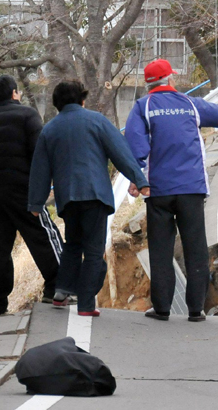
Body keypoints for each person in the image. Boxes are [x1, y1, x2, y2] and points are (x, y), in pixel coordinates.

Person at [124, 59, 218, 323]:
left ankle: (162, 308)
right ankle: (196, 309)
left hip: (159, 190)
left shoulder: (143, 107)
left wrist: (135, 177)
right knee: (195, 247)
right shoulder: (190, 104)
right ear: (170, 80)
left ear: (148, 84)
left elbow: (135, 146)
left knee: (161, 249)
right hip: (191, 188)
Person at [28, 80, 147, 317]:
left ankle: (61, 292)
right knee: (93, 250)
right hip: (95, 195)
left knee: (72, 245)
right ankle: (85, 304)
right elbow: (120, 152)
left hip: (68, 198)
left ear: (57, 104)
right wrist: (140, 180)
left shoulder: (49, 130)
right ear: (82, 100)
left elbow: (40, 170)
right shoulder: (97, 121)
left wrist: (36, 203)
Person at [0, 76, 64, 320]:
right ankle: (59, 286)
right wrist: (41, 187)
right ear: (14, 94)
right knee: (41, 234)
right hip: (22, 188)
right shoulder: (27, 115)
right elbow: (40, 152)